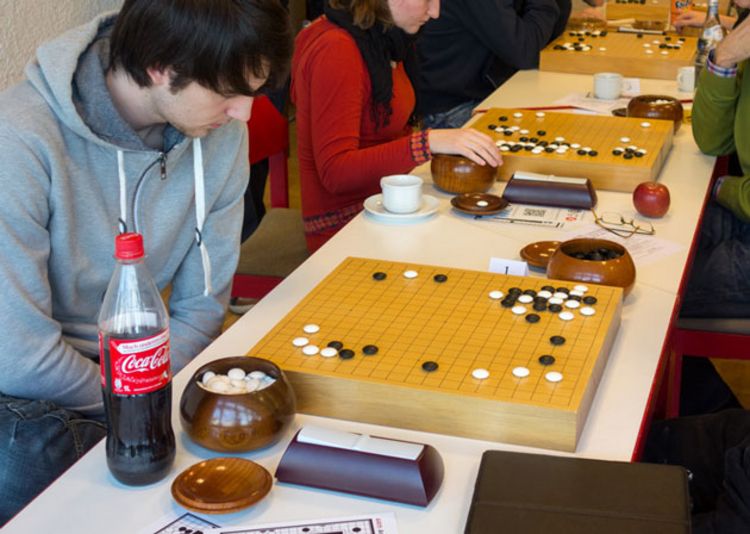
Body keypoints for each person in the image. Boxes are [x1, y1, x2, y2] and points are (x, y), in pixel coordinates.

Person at [0, 0, 290, 525]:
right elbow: (18, 354)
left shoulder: (222, 135)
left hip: (143, 373)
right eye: (229, 93)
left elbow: (202, 306)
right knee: (25, 459)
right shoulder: (18, 138)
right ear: (161, 67)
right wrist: (142, 411)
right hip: (26, 390)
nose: (245, 113)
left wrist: (152, 401)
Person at [291, 0, 503, 251]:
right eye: (428, 0)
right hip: (345, 229)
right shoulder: (336, 49)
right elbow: (336, 172)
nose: (435, 12)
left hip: (388, 203)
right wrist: (427, 142)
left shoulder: (386, 36)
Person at [416, 0, 571, 129]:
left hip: (482, 93)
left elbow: (547, 37)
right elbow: (525, 52)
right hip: (454, 110)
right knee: (560, 130)